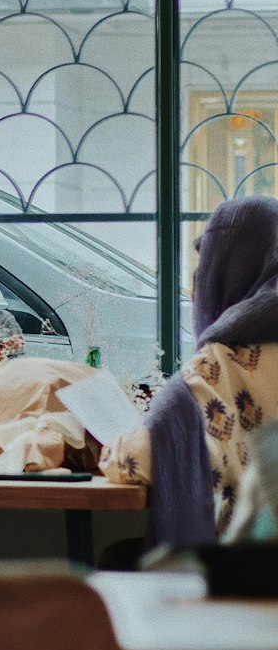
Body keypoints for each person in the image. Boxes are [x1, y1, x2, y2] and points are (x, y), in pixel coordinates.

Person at [101, 194, 278, 544]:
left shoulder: (223, 362)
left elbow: (138, 459)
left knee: (115, 559)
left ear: (223, 274)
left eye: (203, 273)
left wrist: (110, 446)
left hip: (256, 576)